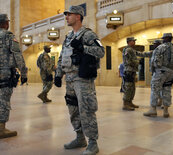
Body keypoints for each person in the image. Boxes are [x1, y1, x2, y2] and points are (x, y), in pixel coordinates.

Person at [54, 5, 104, 155]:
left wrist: (83, 47)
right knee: (73, 109)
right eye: (66, 15)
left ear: (78, 16)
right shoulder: (68, 36)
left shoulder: (88, 35)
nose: (66, 17)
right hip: (69, 79)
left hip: (82, 79)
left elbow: (100, 51)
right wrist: (58, 74)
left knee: (86, 109)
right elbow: (62, 56)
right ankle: (80, 137)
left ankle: (93, 142)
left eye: (69, 15)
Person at [143, 33, 173, 118]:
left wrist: (153, 71)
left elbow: (154, 61)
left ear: (165, 38)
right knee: (167, 90)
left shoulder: (160, 47)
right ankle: (166, 111)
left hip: (160, 71)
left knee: (155, 89)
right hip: (171, 72)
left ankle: (153, 109)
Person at [137, 39, 163, 107]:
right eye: (154, 44)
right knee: (155, 88)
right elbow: (144, 54)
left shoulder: (164, 52)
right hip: (155, 73)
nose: (154, 45)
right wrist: (135, 52)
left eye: (156, 44)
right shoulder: (153, 52)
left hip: (162, 73)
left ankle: (163, 102)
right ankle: (159, 101)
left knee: (163, 88)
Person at [121, 37, 140, 111]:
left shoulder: (132, 50)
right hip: (128, 71)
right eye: (133, 41)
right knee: (128, 88)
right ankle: (125, 104)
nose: (134, 42)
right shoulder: (128, 49)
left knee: (132, 88)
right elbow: (128, 61)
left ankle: (130, 102)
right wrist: (137, 62)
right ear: (129, 42)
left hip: (132, 71)